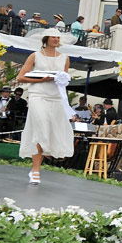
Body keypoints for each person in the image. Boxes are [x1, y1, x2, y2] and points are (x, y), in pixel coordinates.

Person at [17, 29, 74, 184]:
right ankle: (35, 170)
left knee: (51, 130)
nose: (56, 39)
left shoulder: (64, 58)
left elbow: (64, 80)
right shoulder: (35, 55)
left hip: (56, 98)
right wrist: (42, 80)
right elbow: (20, 77)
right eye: (53, 37)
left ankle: (45, 154)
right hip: (38, 96)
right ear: (46, 39)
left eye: (58, 37)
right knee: (40, 128)